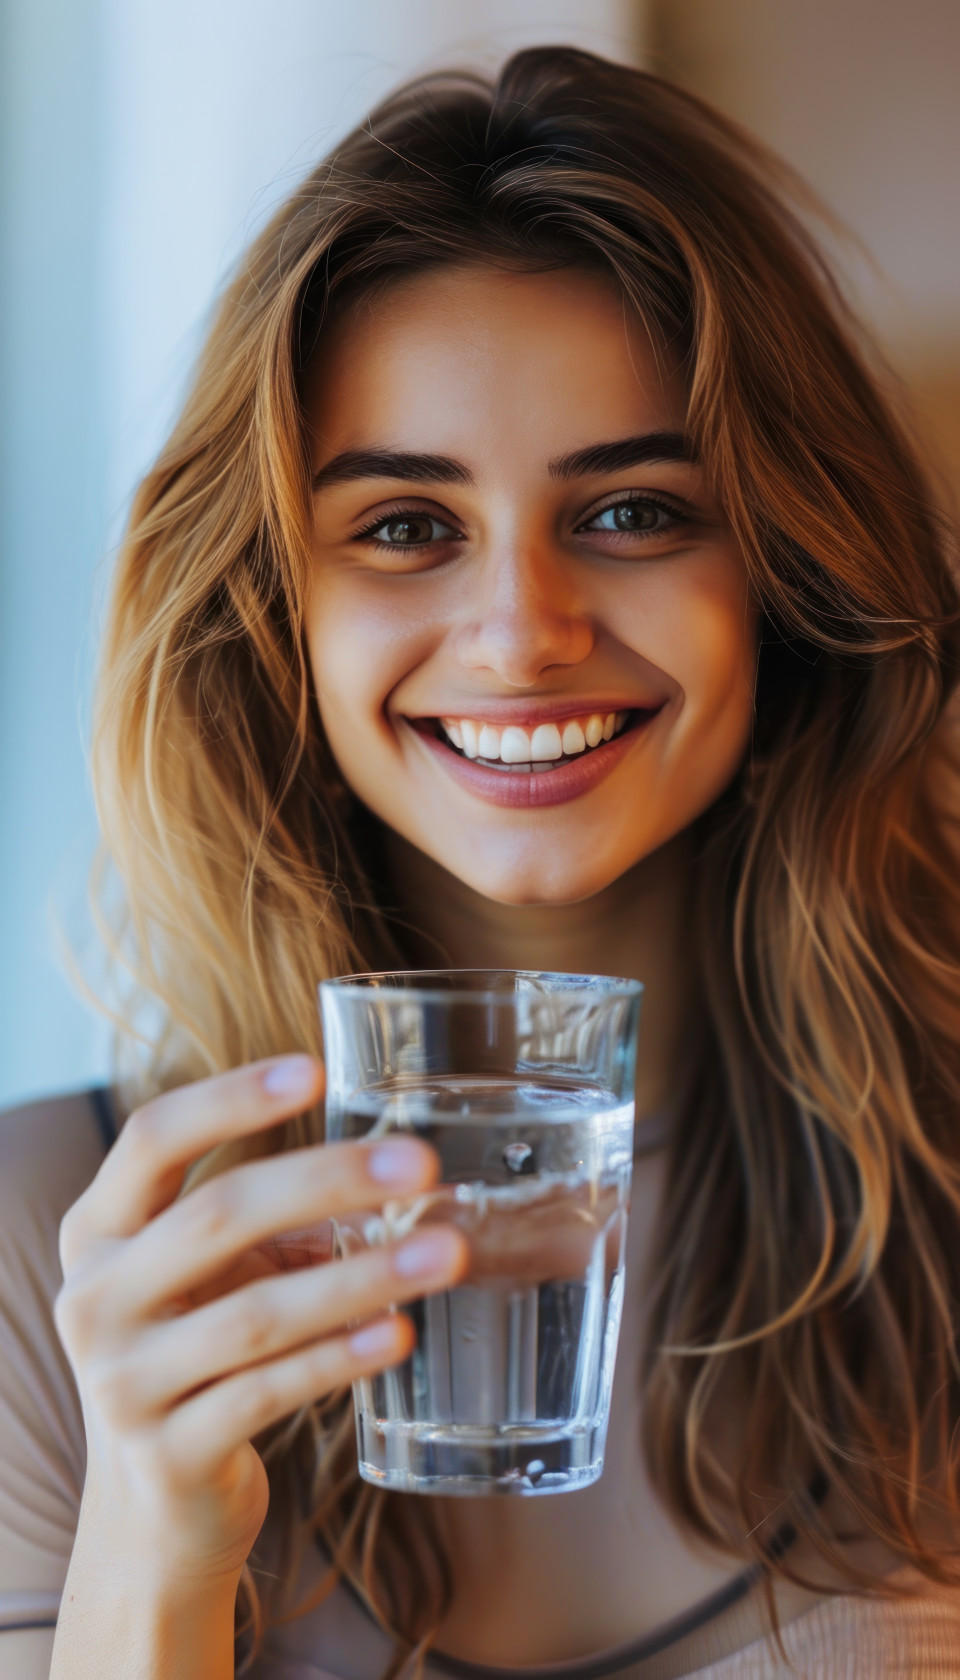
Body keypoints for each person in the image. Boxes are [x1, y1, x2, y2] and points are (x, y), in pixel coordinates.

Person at [2, 42, 960, 1680]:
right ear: (269, 607)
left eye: (637, 511)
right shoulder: (52, 1255)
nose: (523, 634)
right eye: (403, 526)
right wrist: (153, 1546)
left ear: (788, 569)